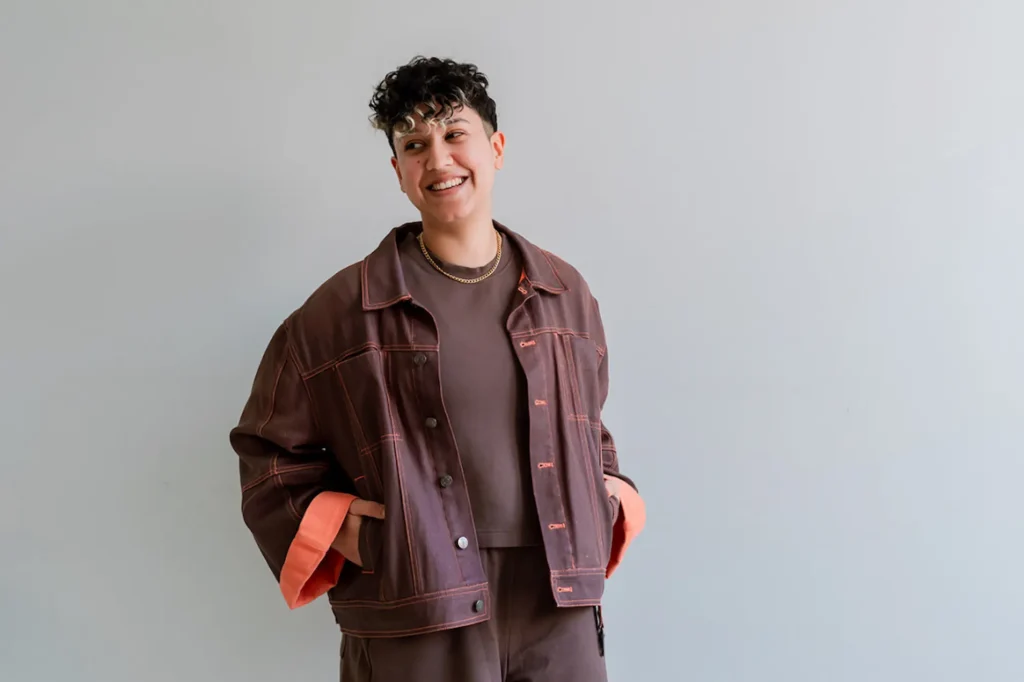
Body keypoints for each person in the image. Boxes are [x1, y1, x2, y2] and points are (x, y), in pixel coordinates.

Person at [229, 56, 646, 681]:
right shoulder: (340, 312)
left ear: (495, 147)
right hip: (418, 604)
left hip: (557, 598)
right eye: (415, 145)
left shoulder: (566, 294)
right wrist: (347, 533)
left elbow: (588, 424)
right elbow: (267, 451)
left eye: (455, 134)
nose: (440, 160)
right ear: (398, 171)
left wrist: (612, 495)